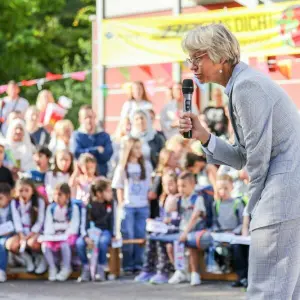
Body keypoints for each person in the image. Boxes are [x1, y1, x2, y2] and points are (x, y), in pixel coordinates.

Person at [179, 23, 300, 299]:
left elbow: (256, 162)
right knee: (288, 292)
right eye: (190, 59)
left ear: (220, 56)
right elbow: (242, 155)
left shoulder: (246, 88)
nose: (192, 65)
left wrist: (251, 212)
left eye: (198, 57)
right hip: (289, 196)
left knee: (265, 292)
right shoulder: (241, 84)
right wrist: (204, 136)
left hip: (281, 198)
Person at [154, 172, 206, 286]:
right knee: (170, 246)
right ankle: (180, 271)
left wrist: (185, 233)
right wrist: (173, 199)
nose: (181, 189)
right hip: (182, 230)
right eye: (179, 186)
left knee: (192, 247)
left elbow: (194, 218)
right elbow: (169, 210)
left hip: (194, 230)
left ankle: (194, 273)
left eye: (184, 186)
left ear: (192, 185)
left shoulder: (197, 199)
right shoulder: (180, 199)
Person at [112, 137, 153, 273]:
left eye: (140, 147)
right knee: (128, 234)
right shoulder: (123, 167)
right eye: (136, 147)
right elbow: (118, 186)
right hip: (128, 205)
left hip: (142, 205)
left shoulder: (145, 166)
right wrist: (122, 203)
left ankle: (139, 263)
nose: (139, 150)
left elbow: (149, 185)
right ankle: (128, 264)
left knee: (140, 234)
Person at [135, 172, 179, 284]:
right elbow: (163, 216)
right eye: (165, 185)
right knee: (150, 237)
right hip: (164, 228)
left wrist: (170, 220)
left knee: (161, 240)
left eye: (171, 184)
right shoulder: (163, 198)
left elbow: (179, 217)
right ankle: (148, 268)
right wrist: (155, 222)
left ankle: (163, 271)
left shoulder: (178, 198)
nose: (168, 188)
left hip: (175, 229)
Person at [76, 178, 114, 282]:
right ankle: (86, 268)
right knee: (79, 243)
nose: (111, 193)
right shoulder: (88, 205)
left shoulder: (110, 204)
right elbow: (84, 223)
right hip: (90, 232)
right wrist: (86, 237)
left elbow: (112, 221)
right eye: (108, 191)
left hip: (104, 231)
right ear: (99, 193)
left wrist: (114, 234)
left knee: (102, 242)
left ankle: (100, 268)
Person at [43, 183, 80, 281]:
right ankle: (52, 267)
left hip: (68, 235)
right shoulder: (51, 208)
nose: (57, 197)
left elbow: (73, 225)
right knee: (45, 245)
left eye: (60, 195)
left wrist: (64, 233)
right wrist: (51, 234)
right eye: (55, 194)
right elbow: (48, 224)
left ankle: (66, 267)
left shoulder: (73, 208)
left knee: (64, 244)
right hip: (55, 235)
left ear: (67, 196)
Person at [14, 178, 47, 274]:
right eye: (21, 191)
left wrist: (29, 235)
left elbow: (40, 221)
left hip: (35, 231)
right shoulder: (15, 203)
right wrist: (21, 234)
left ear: (32, 191)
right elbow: (16, 220)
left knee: (32, 243)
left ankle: (40, 259)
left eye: (26, 190)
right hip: (21, 232)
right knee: (13, 245)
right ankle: (28, 260)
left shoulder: (39, 201)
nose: (24, 194)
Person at [71, 105, 113, 177]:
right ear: (80, 120)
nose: (88, 120)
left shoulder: (104, 136)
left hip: (101, 176)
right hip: (83, 179)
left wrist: (85, 151)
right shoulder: (76, 135)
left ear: (95, 117)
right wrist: (96, 149)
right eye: (85, 118)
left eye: (90, 117)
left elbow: (107, 155)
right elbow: (76, 153)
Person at [0, 183, 23, 282]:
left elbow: (17, 221)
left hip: (11, 234)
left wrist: (19, 233)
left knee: (5, 244)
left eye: (1, 198)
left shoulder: (12, 205)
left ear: (8, 197)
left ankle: (2, 270)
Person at [148, 148, 179, 218]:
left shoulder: (176, 172)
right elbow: (153, 194)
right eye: (174, 158)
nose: (176, 160)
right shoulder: (160, 175)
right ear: (167, 160)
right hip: (161, 210)